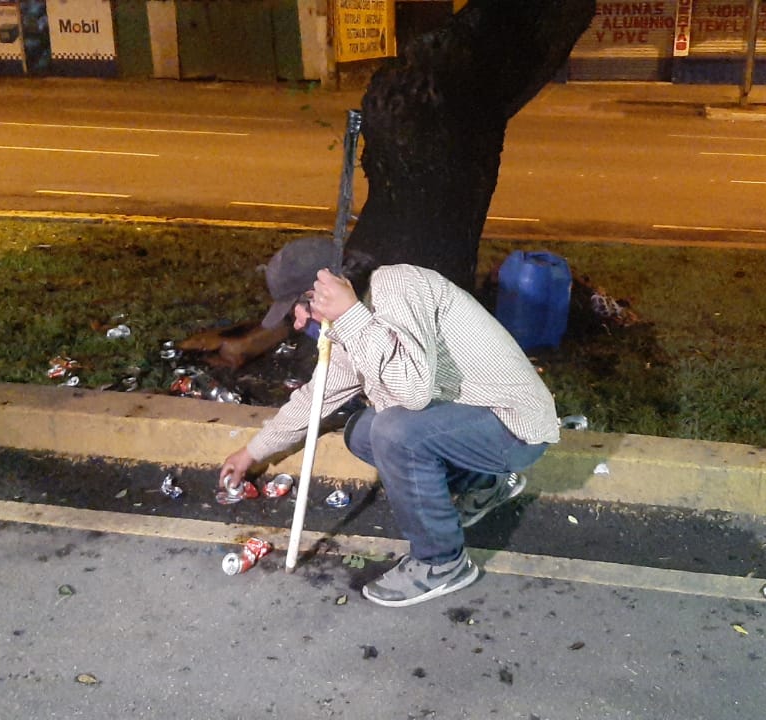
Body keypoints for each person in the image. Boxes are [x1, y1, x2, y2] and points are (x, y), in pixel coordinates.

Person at [219, 237, 559, 607]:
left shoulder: (397, 287)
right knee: (361, 431)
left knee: (394, 432)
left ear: (324, 291)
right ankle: (484, 484)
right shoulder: (353, 322)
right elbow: (316, 398)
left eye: (298, 309)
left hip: (514, 425)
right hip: (472, 420)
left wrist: (349, 316)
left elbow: (412, 393)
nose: (299, 323)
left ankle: (441, 562)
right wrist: (252, 452)